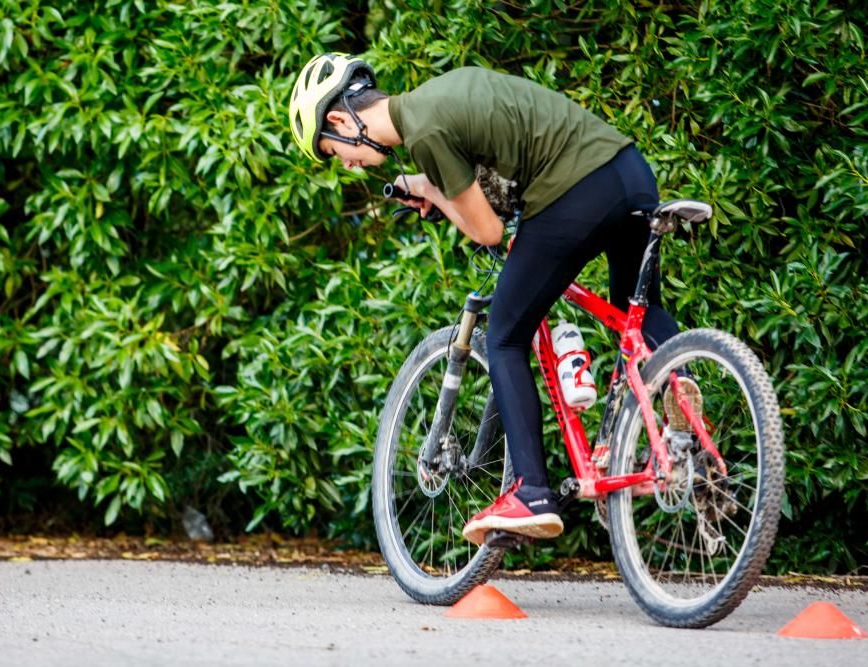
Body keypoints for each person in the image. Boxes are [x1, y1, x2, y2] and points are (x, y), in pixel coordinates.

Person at [288, 53, 702, 546]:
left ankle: (531, 493)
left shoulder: (423, 131)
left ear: (339, 121)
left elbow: (486, 229)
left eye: (333, 151)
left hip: (573, 189)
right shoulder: (437, 97)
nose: (347, 163)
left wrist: (436, 193)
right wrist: (435, 187)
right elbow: (503, 160)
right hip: (629, 173)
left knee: (505, 334)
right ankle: (682, 389)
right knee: (634, 316)